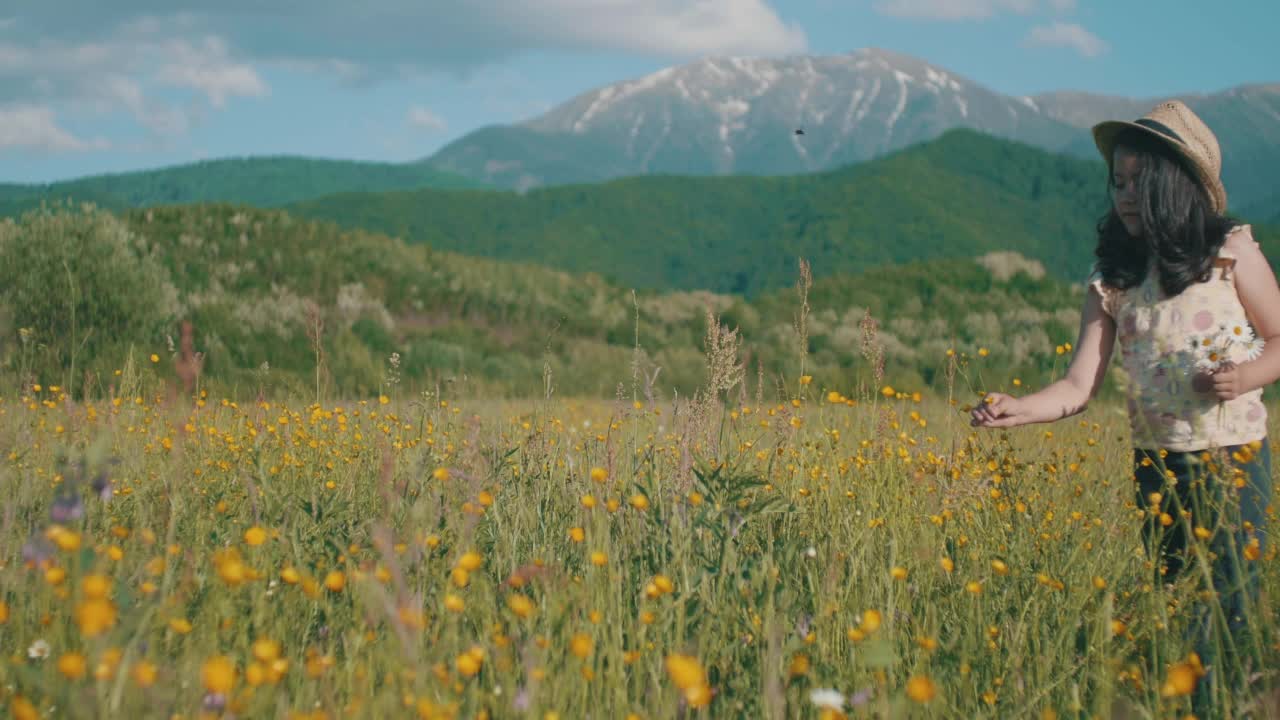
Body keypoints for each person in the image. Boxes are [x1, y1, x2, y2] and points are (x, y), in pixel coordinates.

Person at [969, 100, 1280, 709]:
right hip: (1157, 469)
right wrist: (1021, 408)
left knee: (1229, 613)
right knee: (1176, 608)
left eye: (1142, 180)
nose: (1128, 194)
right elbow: (1079, 386)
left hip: (1235, 462)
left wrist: (1244, 377)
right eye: (1119, 181)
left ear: (1180, 185)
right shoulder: (1112, 278)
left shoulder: (1231, 253)